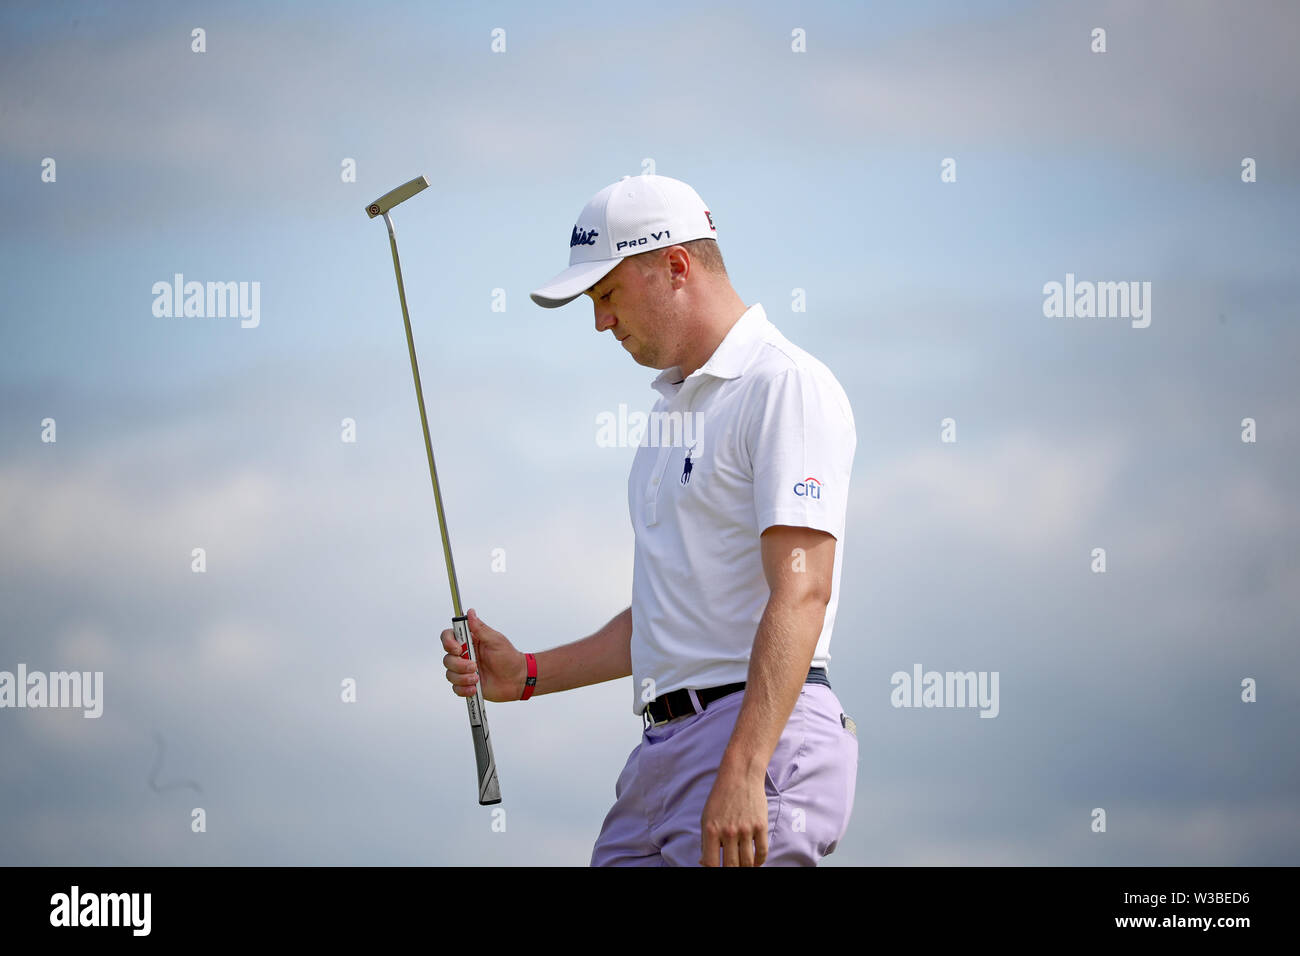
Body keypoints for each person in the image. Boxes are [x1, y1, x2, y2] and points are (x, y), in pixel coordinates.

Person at [440, 174, 858, 866]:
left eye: (606, 295)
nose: (600, 321)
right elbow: (662, 620)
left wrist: (746, 768)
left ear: (675, 266)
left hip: (756, 738)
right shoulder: (669, 416)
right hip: (661, 752)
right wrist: (528, 675)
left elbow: (802, 591)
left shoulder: (785, 384)